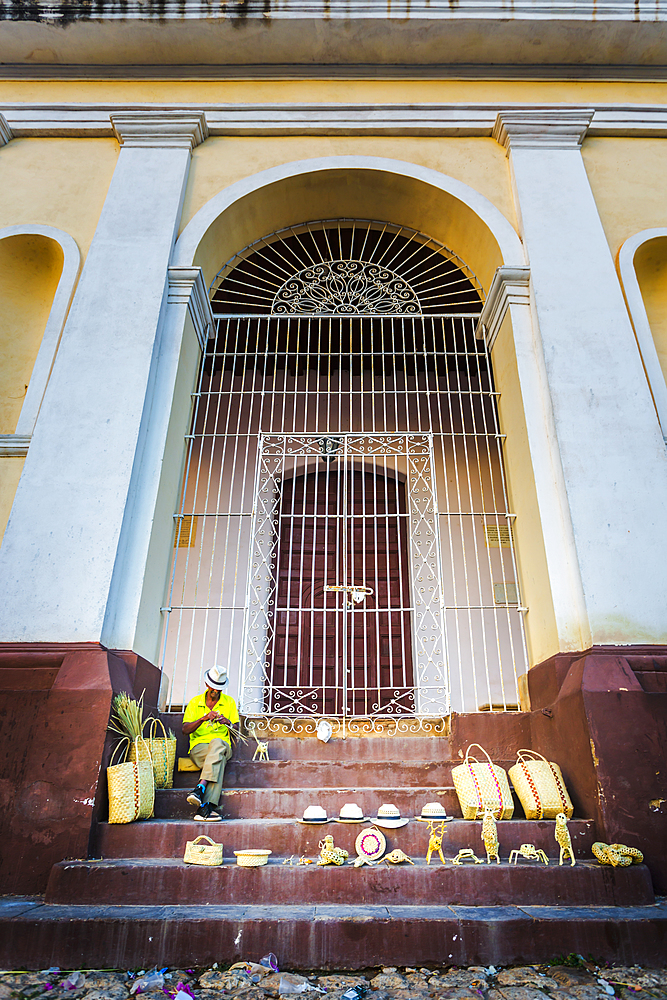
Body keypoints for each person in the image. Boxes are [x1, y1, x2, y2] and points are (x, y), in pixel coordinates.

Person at [182, 665, 239, 822]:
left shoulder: (229, 702)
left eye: (219, 689)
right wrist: (203, 718)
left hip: (223, 746)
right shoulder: (195, 702)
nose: (215, 691)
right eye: (213, 688)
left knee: (218, 744)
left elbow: (237, 728)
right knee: (217, 760)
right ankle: (205, 808)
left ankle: (200, 788)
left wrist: (227, 722)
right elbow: (185, 730)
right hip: (199, 749)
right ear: (207, 685)